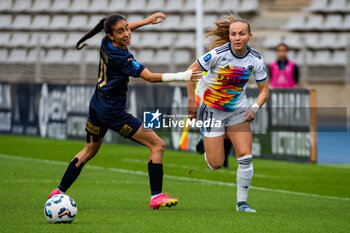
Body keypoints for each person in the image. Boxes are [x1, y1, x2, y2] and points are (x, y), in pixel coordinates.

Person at [48, 13, 201, 210]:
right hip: (113, 112)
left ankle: (59, 191)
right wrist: (183, 75)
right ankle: (156, 197)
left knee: (88, 151)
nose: (127, 33)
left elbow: (122, 30)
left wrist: (146, 22)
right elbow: (150, 77)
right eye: (121, 31)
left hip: (97, 105)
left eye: (127, 28)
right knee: (158, 145)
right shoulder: (122, 57)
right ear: (111, 35)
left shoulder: (106, 42)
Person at [187, 14, 269, 212]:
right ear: (230, 36)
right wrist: (191, 102)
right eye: (233, 34)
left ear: (250, 35)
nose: (237, 38)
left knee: (245, 156)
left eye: (241, 34)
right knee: (216, 164)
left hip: (237, 110)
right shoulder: (217, 54)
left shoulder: (256, 60)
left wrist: (254, 108)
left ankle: (242, 203)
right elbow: (191, 73)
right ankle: (206, 142)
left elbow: (264, 91)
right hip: (211, 109)